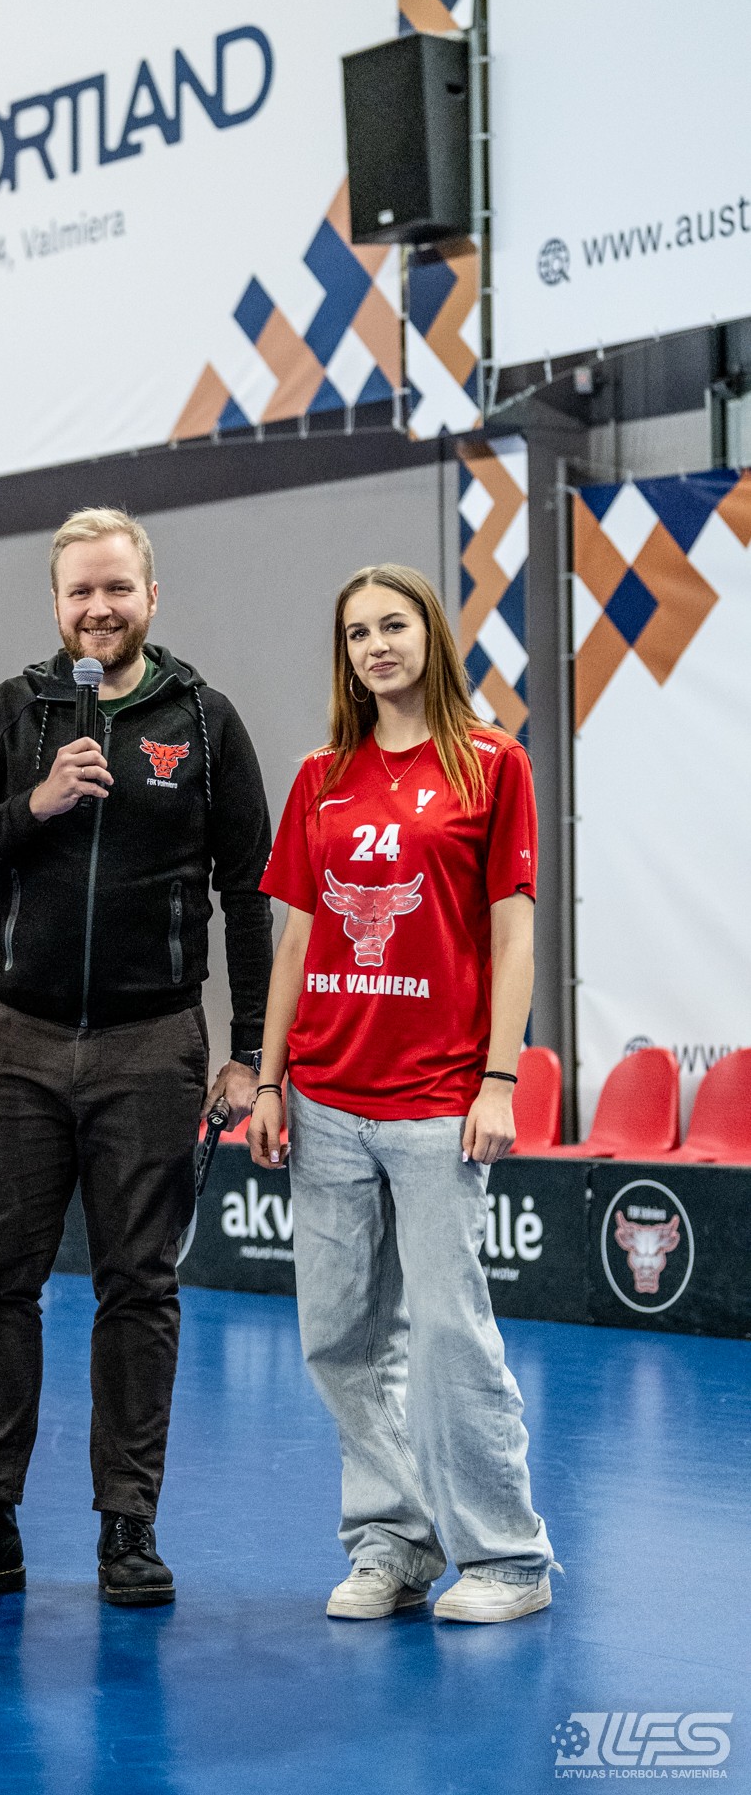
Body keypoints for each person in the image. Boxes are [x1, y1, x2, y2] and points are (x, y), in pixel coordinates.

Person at [0, 506, 272, 1611]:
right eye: (79, 592)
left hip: (152, 1044)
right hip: (15, 1037)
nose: (98, 609)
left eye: (116, 588)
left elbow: (249, 894)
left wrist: (249, 1053)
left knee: (138, 1287)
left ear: (152, 595)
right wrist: (36, 803)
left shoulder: (205, 721)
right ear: (55, 605)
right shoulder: (17, 709)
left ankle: (127, 1526)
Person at [250, 563, 555, 1624]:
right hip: (326, 1099)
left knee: (449, 1334)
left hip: (437, 1101)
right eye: (357, 632)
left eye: (393, 625)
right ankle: (392, 1543)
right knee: (337, 1337)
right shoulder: (319, 776)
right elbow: (297, 939)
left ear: (430, 635)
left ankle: (508, 1558)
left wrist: (499, 1078)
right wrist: (272, 1078)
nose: (376, 645)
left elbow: (513, 936)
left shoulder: (493, 764)